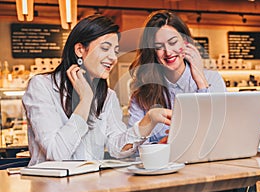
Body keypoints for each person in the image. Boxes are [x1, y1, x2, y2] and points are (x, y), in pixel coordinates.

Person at [22, 14, 171, 166]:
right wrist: (85, 101)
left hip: (92, 185)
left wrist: (149, 120)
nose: (113, 58)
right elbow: (57, 153)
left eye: (115, 51)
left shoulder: (107, 96)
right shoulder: (41, 86)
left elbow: (117, 149)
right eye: (105, 48)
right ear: (80, 50)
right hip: (50, 187)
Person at [128, 10, 226, 144]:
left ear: (185, 42)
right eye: (159, 47)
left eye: (173, 42)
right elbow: (132, 146)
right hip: (162, 163)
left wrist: (201, 83)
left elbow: (219, 130)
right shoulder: (142, 92)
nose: (168, 52)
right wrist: (161, 145)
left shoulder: (212, 79)